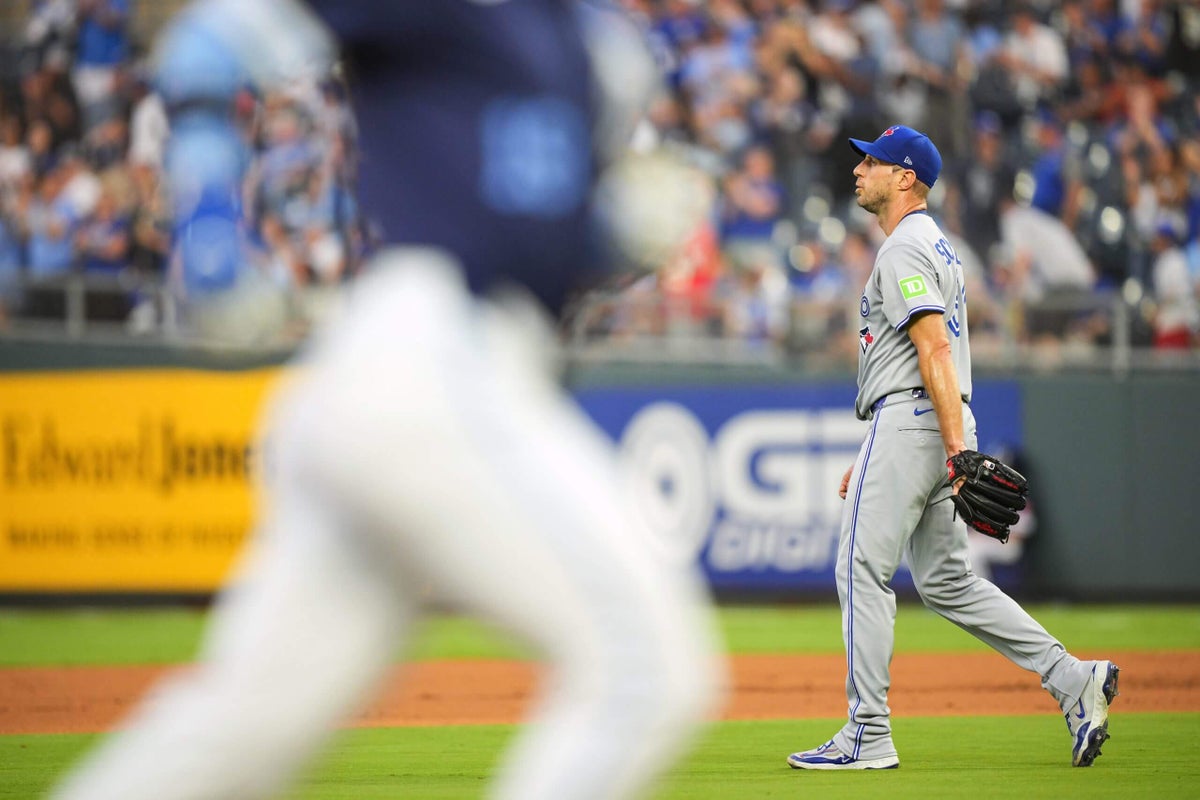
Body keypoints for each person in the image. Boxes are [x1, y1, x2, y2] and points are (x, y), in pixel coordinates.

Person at [51, 2, 721, 799]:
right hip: (434, 358)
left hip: (419, 371)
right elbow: (211, 45)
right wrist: (209, 235)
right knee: (648, 671)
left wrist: (612, 239)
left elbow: (528, 226)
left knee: (241, 730)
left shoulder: (582, 39)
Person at [785, 125, 1119, 772]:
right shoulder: (934, 243)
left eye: (872, 162)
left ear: (905, 176)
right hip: (925, 419)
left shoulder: (904, 248)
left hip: (919, 422)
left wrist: (950, 450)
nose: (859, 170)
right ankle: (1071, 677)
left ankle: (867, 732)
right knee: (946, 581)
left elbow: (933, 347)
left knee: (859, 568)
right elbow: (921, 359)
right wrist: (929, 442)